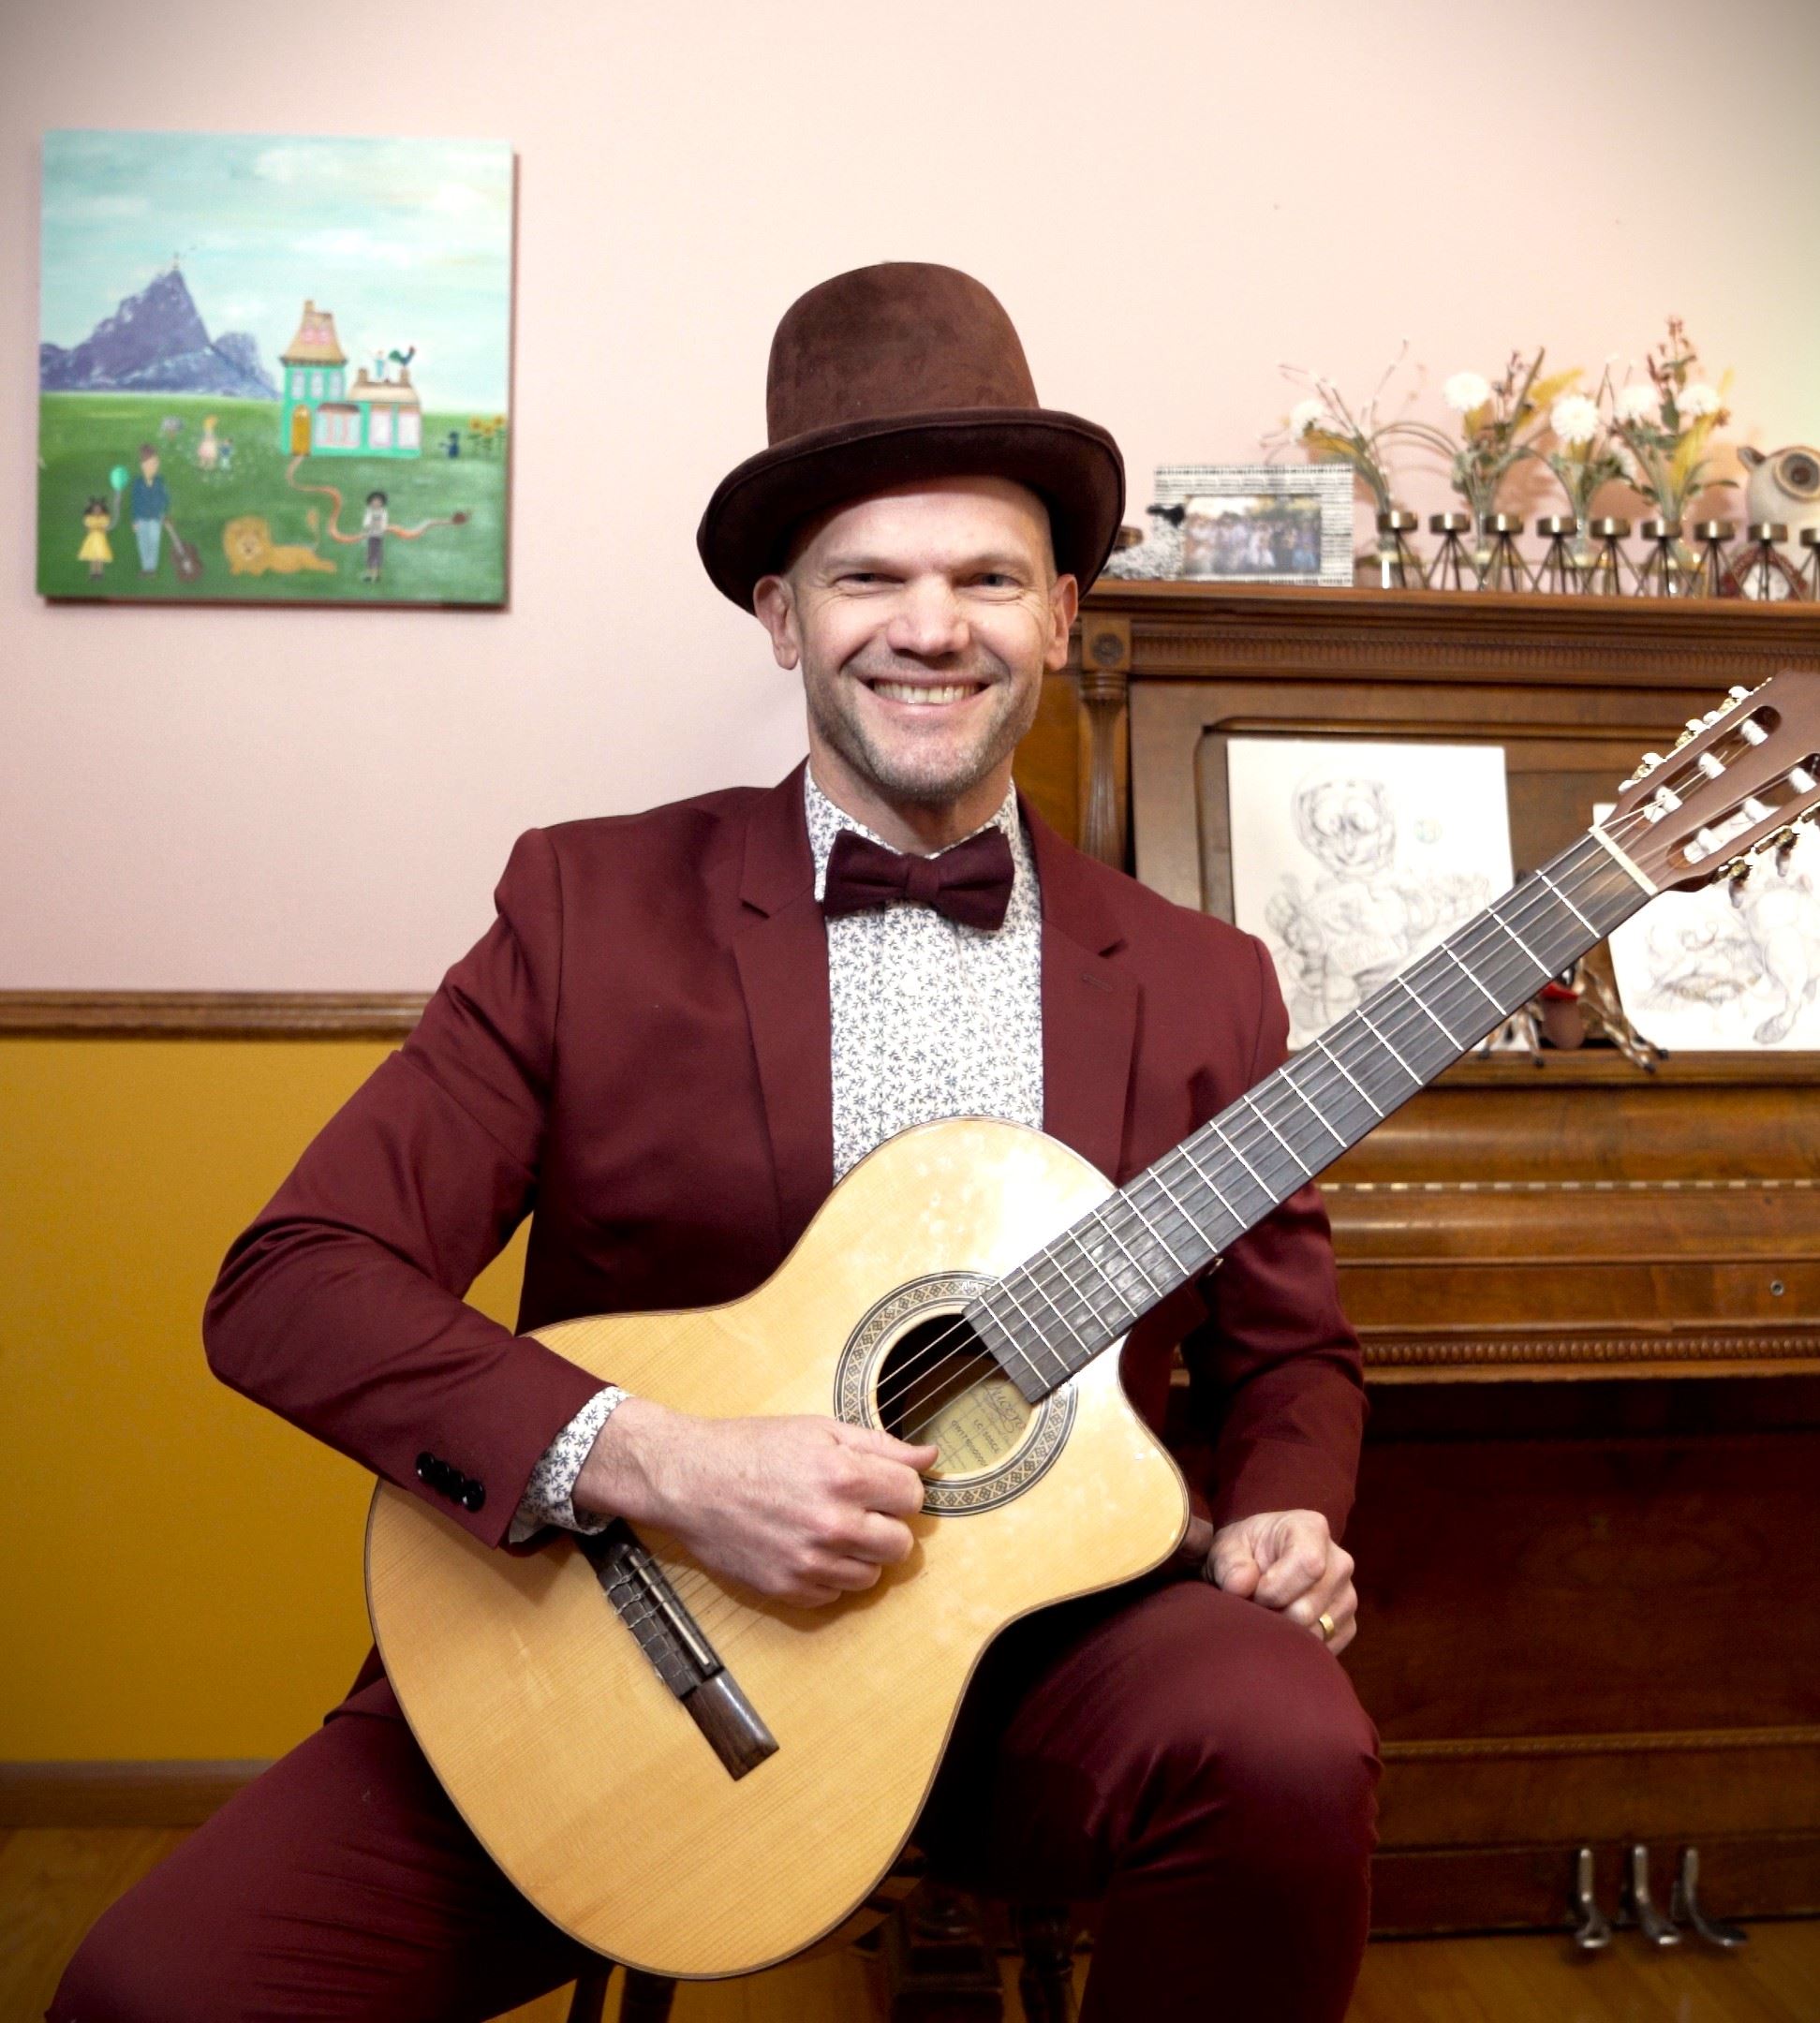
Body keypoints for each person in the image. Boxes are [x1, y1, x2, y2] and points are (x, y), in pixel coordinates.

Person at [52, 263, 1377, 2023]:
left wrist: (1288, 1505)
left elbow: (1291, 1353)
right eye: (868, 579)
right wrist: (662, 1466)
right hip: (623, 1654)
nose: (932, 626)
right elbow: (293, 1283)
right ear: (778, 617)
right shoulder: (584, 907)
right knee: (153, 1995)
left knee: (1288, 1740)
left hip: (1055, 1666)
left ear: (1061, 617)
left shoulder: (1208, 981)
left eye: (986, 577)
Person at [127, 444, 170, 577]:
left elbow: (165, 499)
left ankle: (152, 568)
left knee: (154, 542)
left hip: (155, 518)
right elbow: (134, 502)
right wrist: (135, 520)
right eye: (150, 464)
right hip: (141, 518)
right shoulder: (138, 483)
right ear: (143, 466)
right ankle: (146, 568)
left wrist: (165, 513)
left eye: (155, 464)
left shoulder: (160, 482)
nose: (153, 467)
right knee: (143, 543)